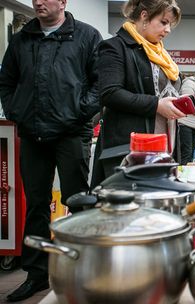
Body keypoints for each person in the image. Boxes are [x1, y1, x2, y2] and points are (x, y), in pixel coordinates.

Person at [0, 0, 102, 301]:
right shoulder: (21, 40)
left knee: (78, 203)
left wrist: (80, 113)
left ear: (63, 2)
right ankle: (36, 274)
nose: (38, 2)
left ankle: (81, 271)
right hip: (33, 135)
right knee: (36, 205)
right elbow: (6, 82)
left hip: (71, 134)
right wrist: (16, 111)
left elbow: (99, 84)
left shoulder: (86, 36)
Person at [91, 0, 184, 186]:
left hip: (164, 146)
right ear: (144, 16)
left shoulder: (160, 54)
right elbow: (110, 93)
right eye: (163, 22)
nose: (168, 30)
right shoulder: (115, 47)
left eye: (170, 24)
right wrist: (156, 105)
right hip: (131, 150)